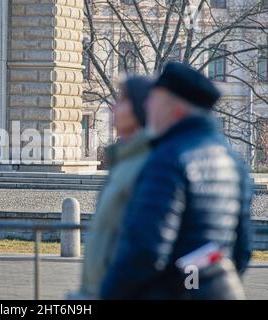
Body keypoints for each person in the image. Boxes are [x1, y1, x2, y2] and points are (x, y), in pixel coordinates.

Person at [100, 62, 252, 300]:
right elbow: (241, 252)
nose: (148, 106)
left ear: (177, 110)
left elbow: (145, 250)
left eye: (155, 100)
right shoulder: (233, 161)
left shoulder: (169, 158)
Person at [78, 76, 154, 299]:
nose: (113, 107)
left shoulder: (147, 164)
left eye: (122, 100)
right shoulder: (123, 161)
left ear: (140, 109)